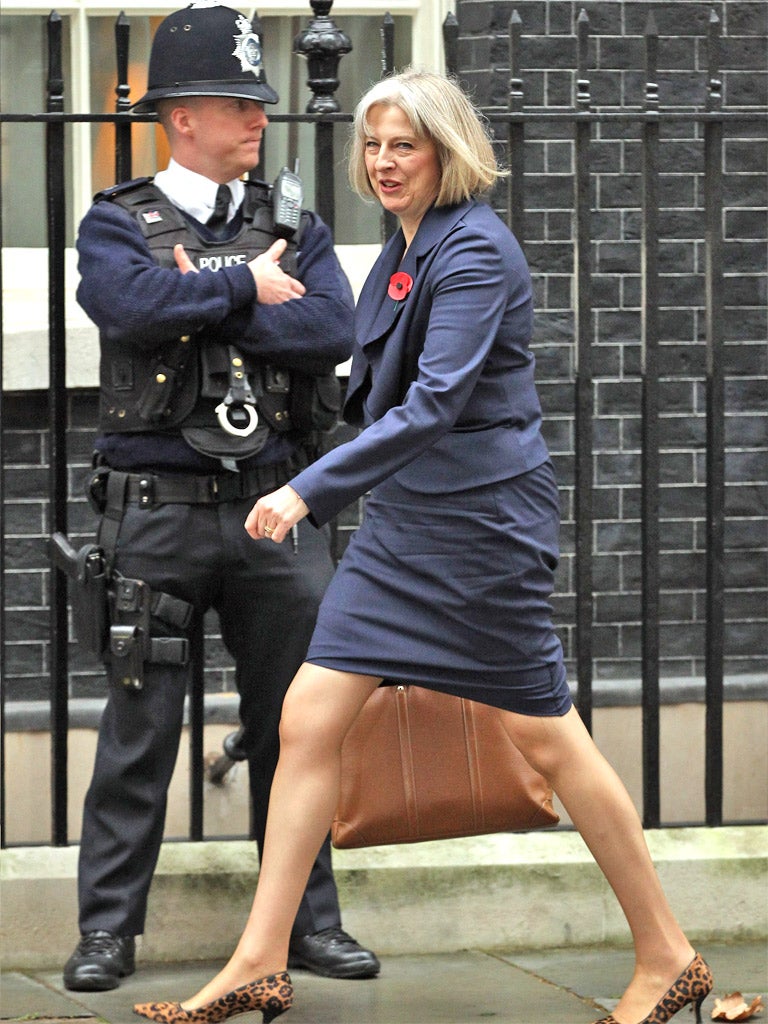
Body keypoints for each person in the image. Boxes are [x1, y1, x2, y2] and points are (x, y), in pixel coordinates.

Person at [133, 69, 713, 1024]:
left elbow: (434, 404)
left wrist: (307, 489)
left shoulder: (476, 251)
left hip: (479, 528)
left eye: (405, 144)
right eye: (373, 145)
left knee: (545, 735)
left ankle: (667, 953)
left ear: (447, 150)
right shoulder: (408, 246)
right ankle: (259, 961)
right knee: (311, 717)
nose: (384, 161)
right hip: (407, 528)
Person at [62, 1, 380, 994]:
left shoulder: (297, 223)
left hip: (272, 507)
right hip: (153, 512)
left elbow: (329, 329)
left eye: (259, 104)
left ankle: (307, 924)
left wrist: (208, 295)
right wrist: (248, 289)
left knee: (301, 727)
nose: (258, 121)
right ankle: (108, 933)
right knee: (138, 732)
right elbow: (126, 306)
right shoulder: (117, 222)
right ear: (181, 115)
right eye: (238, 103)